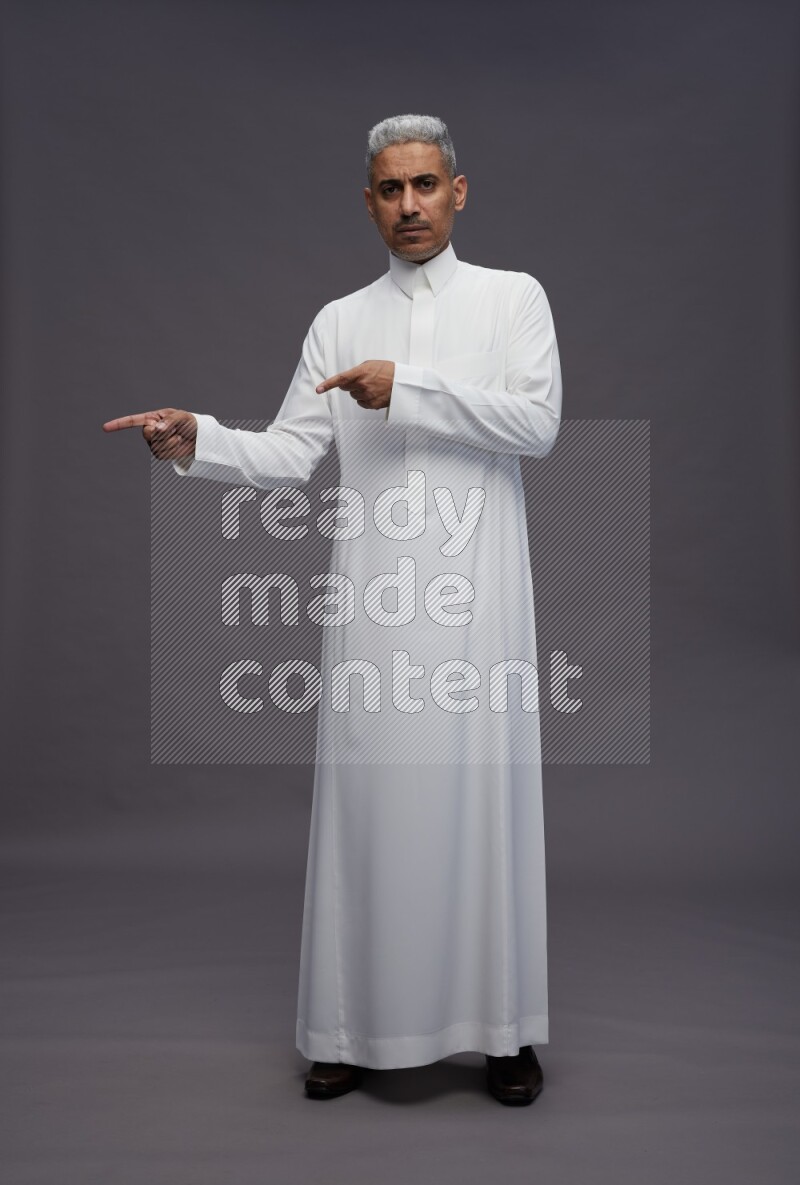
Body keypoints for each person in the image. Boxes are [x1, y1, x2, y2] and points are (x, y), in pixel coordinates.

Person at [103, 113, 563, 1106]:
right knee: (370, 809)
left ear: (458, 191)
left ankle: (503, 1031)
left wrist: (412, 387)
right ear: (367, 202)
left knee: (483, 805)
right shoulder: (338, 319)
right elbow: (285, 454)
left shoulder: (512, 299)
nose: (408, 206)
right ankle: (348, 1028)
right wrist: (197, 440)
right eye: (389, 190)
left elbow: (536, 423)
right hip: (374, 603)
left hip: (477, 600)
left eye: (425, 186)